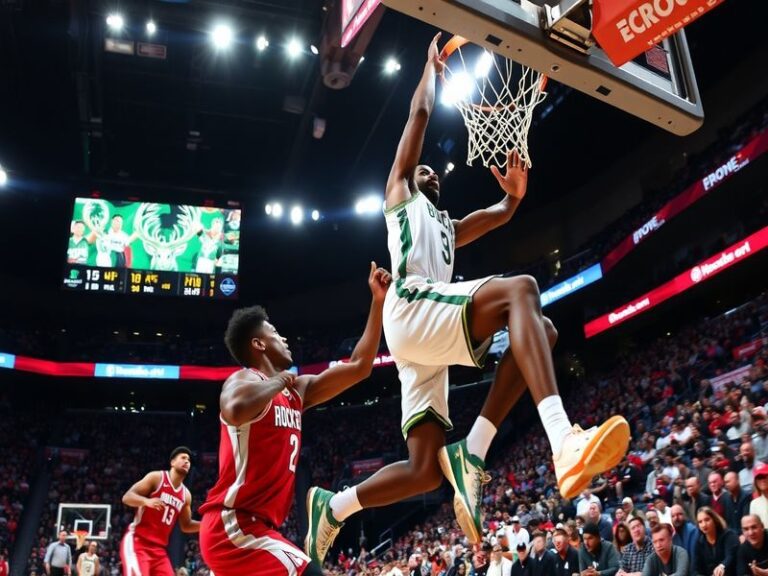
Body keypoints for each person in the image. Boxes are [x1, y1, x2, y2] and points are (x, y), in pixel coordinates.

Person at [306, 33, 630, 562]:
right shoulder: (400, 194)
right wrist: (430, 71)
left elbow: (494, 217)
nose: (430, 170)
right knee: (522, 290)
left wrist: (512, 199)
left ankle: (334, 505)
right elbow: (418, 117)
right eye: (424, 168)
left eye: (433, 169)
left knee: (426, 468)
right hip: (413, 308)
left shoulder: (447, 227)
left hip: (420, 337)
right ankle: (560, 440)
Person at [199, 264, 391, 576]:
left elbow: (359, 366)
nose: (284, 338)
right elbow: (233, 409)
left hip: (257, 527)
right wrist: (276, 382)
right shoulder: (245, 378)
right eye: (275, 333)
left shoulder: (298, 390)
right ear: (259, 344)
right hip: (233, 525)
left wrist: (378, 302)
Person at [120, 446, 199, 576]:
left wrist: (206, 524)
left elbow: (186, 525)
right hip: (138, 542)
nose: (187, 461)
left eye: (189, 460)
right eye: (183, 458)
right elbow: (127, 497)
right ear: (172, 462)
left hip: (159, 550)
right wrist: (146, 501)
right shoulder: (157, 478)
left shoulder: (186, 495)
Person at [694, 506, 739, 576]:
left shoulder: (729, 535)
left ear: (714, 520)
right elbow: (696, 569)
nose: (704, 525)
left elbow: (730, 556)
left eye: (707, 520)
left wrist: (722, 566)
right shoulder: (699, 542)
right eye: (700, 522)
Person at [671, 504, 697, 568]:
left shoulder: (692, 530)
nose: (676, 518)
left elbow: (694, 558)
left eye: (679, 514)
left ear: (684, 515)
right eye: (673, 516)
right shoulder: (673, 535)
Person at [749, 463, 768, 528]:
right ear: (755, 482)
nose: (762, 480)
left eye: (764, 476)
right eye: (759, 478)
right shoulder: (754, 504)